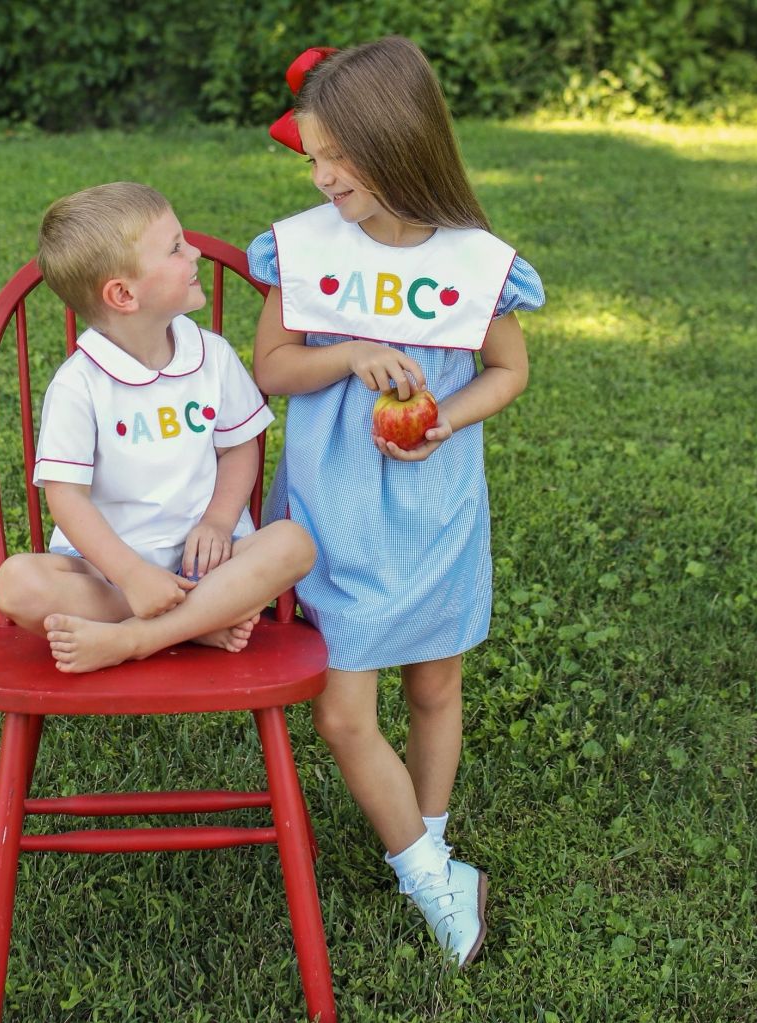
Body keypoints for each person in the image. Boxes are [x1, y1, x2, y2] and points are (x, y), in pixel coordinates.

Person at [249, 37, 545, 966]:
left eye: (340, 155)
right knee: (342, 711)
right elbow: (272, 367)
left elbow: (509, 370)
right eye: (313, 154)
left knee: (435, 683)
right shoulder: (305, 247)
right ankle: (427, 878)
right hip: (333, 513)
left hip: (434, 503)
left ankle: (431, 837)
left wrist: (443, 420)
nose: (323, 174)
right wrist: (347, 353)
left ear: (400, 143)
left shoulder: (472, 260)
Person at [0, 182, 316, 674]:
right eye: (175, 249)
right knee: (16, 582)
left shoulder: (212, 355)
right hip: (109, 575)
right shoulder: (80, 384)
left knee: (293, 543)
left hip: (209, 563)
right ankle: (199, 620)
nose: (197, 252)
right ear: (123, 295)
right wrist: (132, 575)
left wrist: (218, 521)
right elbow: (66, 497)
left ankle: (141, 637)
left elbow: (240, 447)